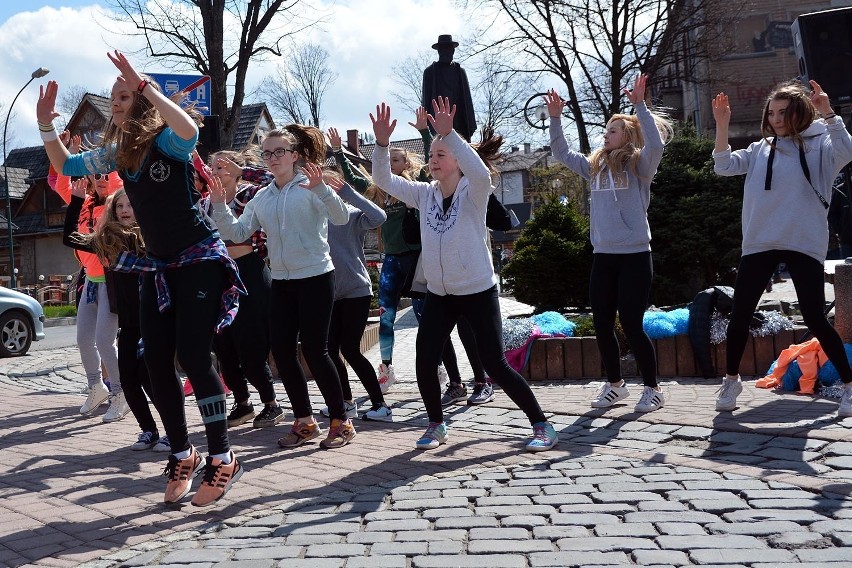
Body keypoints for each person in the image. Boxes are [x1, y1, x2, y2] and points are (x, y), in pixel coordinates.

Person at [38, 51, 244, 507]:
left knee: (193, 354)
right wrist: (45, 125)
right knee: (153, 360)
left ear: (143, 100)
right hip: (160, 264)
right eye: (113, 95)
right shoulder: (116, 153)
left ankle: (222, 455)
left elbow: (191, 131)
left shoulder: (167, 142)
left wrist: (147, 86)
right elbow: (67, 165)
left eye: (124, 94)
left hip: (198, 258)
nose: (116, 101)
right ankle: (181, 451)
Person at [370, 97, 558, 452]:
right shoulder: (423, 194)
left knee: (495, 365)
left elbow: (482, 173)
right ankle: (436, 425)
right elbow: (382, 178)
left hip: (476, 290)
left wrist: (448, 135)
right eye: (432, 155)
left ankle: (542, 425)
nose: (433, 160)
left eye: (441, 154)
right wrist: (381, 145)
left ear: (457, 159)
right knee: (426, 360)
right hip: (440, 293)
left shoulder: (475, 193)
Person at [210, 125, 357, 450]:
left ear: (293, 156)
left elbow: (342, 218)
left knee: (317, 352)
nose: (273, 158)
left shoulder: (310, 186)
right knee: (284, 353)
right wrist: (220, 205)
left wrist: (322, 190)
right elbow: (237, 232)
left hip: (317, 277)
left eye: (279, 152)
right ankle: (304, 422)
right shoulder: (262, 197)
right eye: (267, 153)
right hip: (282, 281)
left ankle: (340, 421)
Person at [711, 80, 852, 417]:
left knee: (816, 318)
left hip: (803, 242)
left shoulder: (821, 146)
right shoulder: (761, 148)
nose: (775, 118)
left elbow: (847, 152)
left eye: (782, 112)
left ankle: (849, 386)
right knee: (740, 313)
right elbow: (723, 165)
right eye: (771, 112)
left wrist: (829, 112)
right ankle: (731, 380)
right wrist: (722, 124)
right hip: (760, 241)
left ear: (799, 112)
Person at [545, 75, 673, 413]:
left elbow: (656, 145)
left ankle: (653, 389)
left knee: (631, 324)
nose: (606, 134)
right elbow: (560, 151)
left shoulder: (639, 165)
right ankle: (616, 386)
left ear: (627, 135)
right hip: (603, 257)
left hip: (634, 257)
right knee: (602, 323)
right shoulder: (594, 167)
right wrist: (556, 118)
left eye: (612, 130)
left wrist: (639, 106)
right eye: (605, 130)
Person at [63, 181, 167, 451]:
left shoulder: (153, 234)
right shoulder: (108, 241)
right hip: (130, 322)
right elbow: (70, 238)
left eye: (129, 204)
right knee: (129, 378)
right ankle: (148, 430)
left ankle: (173, 432)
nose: (124, 210)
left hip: (155, 318)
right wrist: (76, 201)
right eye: (119, 206)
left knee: (153, 378)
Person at [201, 151, 283, 430]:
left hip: (249, 270)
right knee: (223, 344)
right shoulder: (203, 204)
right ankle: (242, 402)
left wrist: (243, 171)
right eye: (213, 166)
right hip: (217, 274)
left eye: (224, 166)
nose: (218, 171)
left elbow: (276, 179)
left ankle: (271, 404)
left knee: (251, 342)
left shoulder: (251, 196)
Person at [49, 133, 124, 421]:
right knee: (83, 340)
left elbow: (117, 175)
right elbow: (61, 183)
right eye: (96, 175)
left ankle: (120, 392)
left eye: (106, 174)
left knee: (105, 341)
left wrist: (109, 155)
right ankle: (96, 386)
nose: (101, 178)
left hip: (112, 281)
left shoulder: (118, 200)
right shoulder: (84, 199)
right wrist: (68, 152)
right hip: (91, 280)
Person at [320, 171, 392, 421]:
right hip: (328, 293)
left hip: (356, 291)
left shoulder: (349, 215)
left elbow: (379, 216)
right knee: (328, 350)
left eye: (328, 186)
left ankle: (380, 405)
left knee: (350, 349)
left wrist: (349, 194)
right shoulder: (312, 217)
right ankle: (346, 403)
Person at [421, 34, 477, 141]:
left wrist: (470, 124)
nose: (445, 52)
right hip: (437, 124)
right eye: (442, 49)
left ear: (453, 51)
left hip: (459, 123)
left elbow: (467, 100)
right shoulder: (430, 72)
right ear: (438, 51)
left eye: (448, 49)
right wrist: (424, 127)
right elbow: (425, 103)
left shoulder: (459, 71)